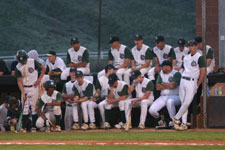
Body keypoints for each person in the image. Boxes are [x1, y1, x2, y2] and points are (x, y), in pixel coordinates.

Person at [172, 40, 206, 131]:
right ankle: (183, 123)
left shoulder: (200, 57)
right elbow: (183, 69)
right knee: (184, 103)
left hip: (192, 81)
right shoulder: (186, 57)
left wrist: (197, 85)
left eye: (193, 45)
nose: (191, 47)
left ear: (196, 46)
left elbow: (203, 72)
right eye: (190, 46)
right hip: (183, 80)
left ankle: (176, 118)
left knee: (187, 102)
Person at [14, 50, 45, 133]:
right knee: (25, 107)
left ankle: (34, 127)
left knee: (34, 107)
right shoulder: (18, 67)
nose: (23, 62)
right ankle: (23, 127)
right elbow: (19, 81)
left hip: (34, 87)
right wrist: (23, 93)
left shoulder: (32, 61)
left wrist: (39, 80)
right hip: (25, 88)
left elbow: (43, 68)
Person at [149, 60, 181, 128]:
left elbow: (173, 85)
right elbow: (157, 87)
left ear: (167, 67)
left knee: (169, 102)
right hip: (163, 96)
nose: (161, 68)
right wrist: (169, 85)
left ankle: (173, 122)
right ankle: (161, 119)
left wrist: (163, 84)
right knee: (152, 110)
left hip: (176, 96)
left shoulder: (176, 73)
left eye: (162, 67)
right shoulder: (161, 73)